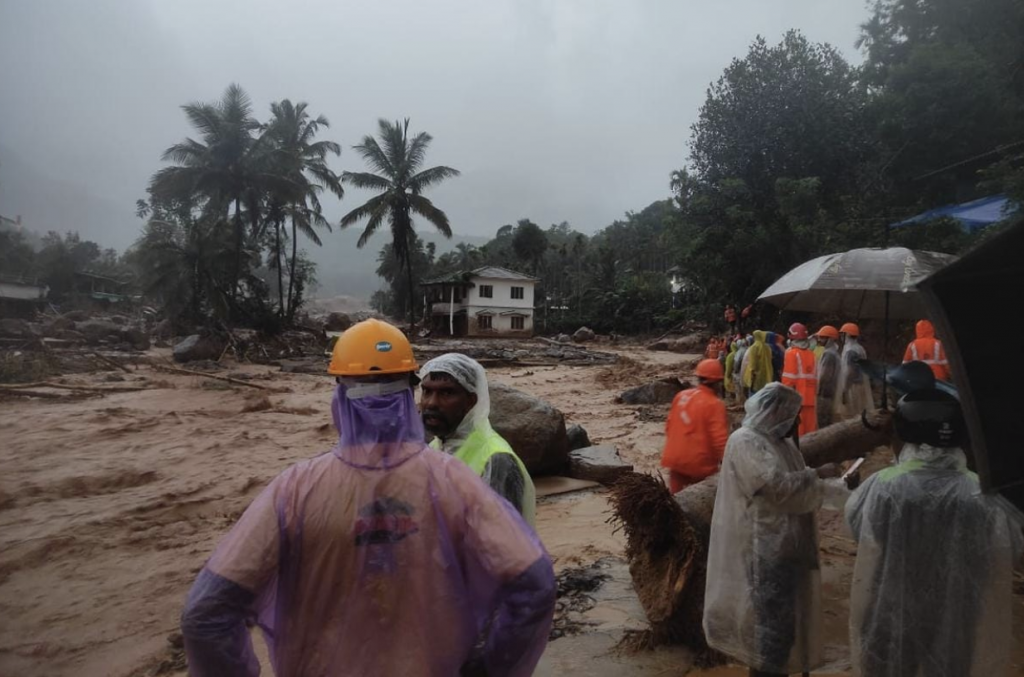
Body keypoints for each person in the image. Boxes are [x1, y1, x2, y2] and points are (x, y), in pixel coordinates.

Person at [180, 319, 555, 677]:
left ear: (340, 395)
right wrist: (493, 668)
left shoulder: (294, 490)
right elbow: (533, 584)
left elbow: (206, 615)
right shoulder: (453, 478)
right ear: (411, 395)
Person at [846, 389, 1023, 677]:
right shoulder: (982, 492)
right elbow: (1007, 549)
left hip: (891, 608)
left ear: (903, 435)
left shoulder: (883, 486)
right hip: (957, 615)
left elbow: (860, 533)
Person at [703, 383, 849, 676]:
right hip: (763, 548)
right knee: (769, 626)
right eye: (791, 415)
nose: (796, 422)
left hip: (787, 545)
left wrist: (828, 485)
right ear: (774, 411)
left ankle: (780, 668)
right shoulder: (746, 441)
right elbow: (774, 487)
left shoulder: (780, 443)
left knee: (787, 622)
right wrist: (818, 478)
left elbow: (797, 486)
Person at [419, 353, 536, 524]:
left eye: (446, 393)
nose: (431, 403)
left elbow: (504, 540)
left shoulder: (496, 459)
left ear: (471, 401)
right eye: (427, 391)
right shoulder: (436, 447)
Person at [661, 359, 731, 493]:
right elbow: (720, 440)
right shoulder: (714, 404)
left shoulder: (681, 396)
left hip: (674, 458)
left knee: (675, 501)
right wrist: (728, 464)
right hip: (699, 464)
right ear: (717, 382)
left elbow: (668, 427)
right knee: (701, 504)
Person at [781, 323, 818, 436]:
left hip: (797, 399)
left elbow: (789, 380)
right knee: (811, 432)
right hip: (811, 399)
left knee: (799, 433)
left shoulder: (791, 353)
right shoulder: (812, 354)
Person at [834, 322, 874, 421]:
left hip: (852, 386)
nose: (841, 336)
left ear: (847, 334)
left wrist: (844, 390)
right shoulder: (860, 348)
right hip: (861, 385)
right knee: (861, 415)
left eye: (842, 334)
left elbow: (850, 371)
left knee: (848, 416)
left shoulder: (850, 350)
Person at [814, 326, 841, 429]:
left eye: (822, 337)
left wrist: (819, 391)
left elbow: (825, 375)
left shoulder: (829, 354)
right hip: (830, 393)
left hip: (825, 394)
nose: (819, 340)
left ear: (829, 339)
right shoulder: (833, 353)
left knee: (822, 422)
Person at [743, 330, 774, 395]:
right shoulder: (768, 347)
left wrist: (751, 378)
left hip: (757, 378)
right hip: (768, 375)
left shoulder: (754, 347)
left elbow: (752, 365)